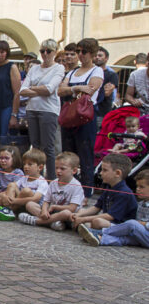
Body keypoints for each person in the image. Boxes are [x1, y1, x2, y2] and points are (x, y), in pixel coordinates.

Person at [57, 38, 104, 198]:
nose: (81, 55)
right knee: (68, 153)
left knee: (85, 154)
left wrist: (70, 89)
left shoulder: (96, 71)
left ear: (91, 53)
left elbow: (90, 90)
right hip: (70, 115)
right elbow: (60, 91)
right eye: (79, 51)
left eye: (84, 52)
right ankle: (69, 188)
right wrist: (76, 88)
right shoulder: (71, 72)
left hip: (85, 117)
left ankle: (85, 191)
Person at [19, 39, 64, 180]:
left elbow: (50, 89)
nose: (45, 54)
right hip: (32, 109)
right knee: (35, 146)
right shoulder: (34, 69)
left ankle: (50, 179)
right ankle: (35, 177)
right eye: (42, 51)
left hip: (48, 110)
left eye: (48, 51)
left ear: (55, 52)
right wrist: (39, 90)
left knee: (48, 147)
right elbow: (22, 90)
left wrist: (32, 89)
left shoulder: (59, 68)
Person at [78, 170, 149, 247]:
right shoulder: (141, 204)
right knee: (124, 239)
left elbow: (138, 224)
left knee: (132, 224)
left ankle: (100, 232)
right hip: (142, 236)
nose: (137, 189)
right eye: (137, 186)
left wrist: (144, 224)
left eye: (141, 187)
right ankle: (100, 239)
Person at [71, 153, 137, 233]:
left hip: (120, 226)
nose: (101, 173)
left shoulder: (123, 193)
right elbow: (96, 208)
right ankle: (84, 227)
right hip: (107, 222)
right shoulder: (109, 187)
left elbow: (110, 216)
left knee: (97, 221)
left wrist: (84, 219)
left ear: (117, 173)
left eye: (104, 170)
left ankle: (88, 230)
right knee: (80, 211)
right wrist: (79, 215)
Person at [18, 152, 84, 230]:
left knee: (66, 213)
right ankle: (52, 222)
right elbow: (46, 201)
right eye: (56, 168)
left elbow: (72, 208)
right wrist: (44, 211)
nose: (58, 171)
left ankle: (37, 221)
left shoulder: (77, 186)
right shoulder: (53, 183)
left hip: (67, 215)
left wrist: (55, 207)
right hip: (52, 212)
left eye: (62, 168)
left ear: (74, 170)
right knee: (30, 204)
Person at [0, 148, 48, 221]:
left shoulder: (42, 182)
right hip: (18, 203)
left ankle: (8, 209)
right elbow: (11, 189)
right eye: (24, 164)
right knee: (11, 185)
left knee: (26, 191)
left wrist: (14, 200)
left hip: (32, 204)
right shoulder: (24, 178)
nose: (26, 166)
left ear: (40, 167)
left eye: (29, 164)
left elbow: (35, 199)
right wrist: (1, 195)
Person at [94, 46, 118, 127]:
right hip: (87, 111)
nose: (97, 57)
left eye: (100, 55)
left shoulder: (111, 74)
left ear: (106, 58)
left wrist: (90, 89)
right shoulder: (90, 72)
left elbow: (107, 92)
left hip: (101, 112)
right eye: (95, 55)